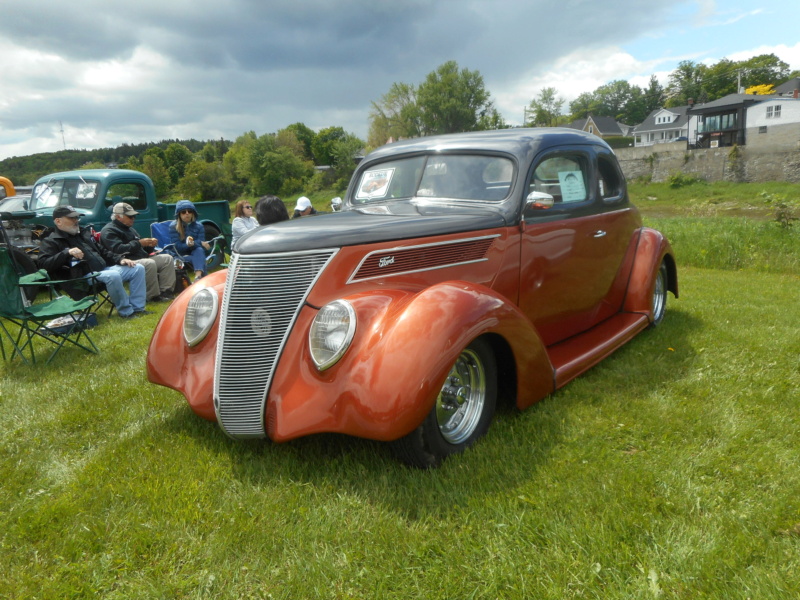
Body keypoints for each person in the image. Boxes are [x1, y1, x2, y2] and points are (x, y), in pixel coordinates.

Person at [38, 205, 148, 319]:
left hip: (102, 270)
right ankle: (127, 312)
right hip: (80, 278)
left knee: (137, 268)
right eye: (72, 218)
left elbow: (102, 250)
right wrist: (66, 252)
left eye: (77, 218)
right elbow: (43, 265)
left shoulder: (82, 233)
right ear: (58, 221)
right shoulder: (51, 241)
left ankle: (138, 308)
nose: (76, 221)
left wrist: (120, 259)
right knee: (113, 275)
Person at [100, 202, 176, 302]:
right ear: (118, 217)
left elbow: (140, 249)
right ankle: (152, 296)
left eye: (134, 216)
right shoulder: (108, 231)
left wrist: (149, 246)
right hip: (123, 263)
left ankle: (166, 292)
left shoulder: (130, 229)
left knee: (167, 258)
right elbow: (118, 250)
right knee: (149, 263)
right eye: (130, 216)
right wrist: (139, 243)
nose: (133, 219)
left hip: (139, 258)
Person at [169, 199, 210, 279]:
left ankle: (198, 277)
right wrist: (189, 245)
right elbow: (177, 247)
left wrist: (194, 243)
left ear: (193, 213)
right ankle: (203, 279)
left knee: (199, 250)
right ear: (179, 215)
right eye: (183, 212)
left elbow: (201, 243)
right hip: (179, 255)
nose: (187, 213)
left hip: (195, 252)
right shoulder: (173, 227)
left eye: (189, 211)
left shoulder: (199, 226)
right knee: (200, 259)